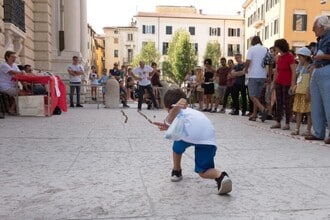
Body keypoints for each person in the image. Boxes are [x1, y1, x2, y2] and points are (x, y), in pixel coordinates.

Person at [153, 88, 232, 195]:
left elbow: (170, 120)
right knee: (202, 168)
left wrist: (167, 122)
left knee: (199, 169)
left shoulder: (176, 110)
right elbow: (179, 126)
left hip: (200, 139)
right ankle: (221, 176)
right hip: (207, 139)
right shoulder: (192, 112)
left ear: (169, 108)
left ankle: (177, 171)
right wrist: (169, 126)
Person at [305, 15, 330, 144]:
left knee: (328, 103)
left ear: (321, 26)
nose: (313, 30)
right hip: (318, 69)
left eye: (314, 27)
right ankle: (318, 132)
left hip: (326, 69)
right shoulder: (320, 39)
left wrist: (322, 56)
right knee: (316, 104)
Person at [270, 39, 296, 130]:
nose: (275, 49)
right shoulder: (278, 57)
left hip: (287, 83)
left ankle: (287, 123)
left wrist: (293, 84)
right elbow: (277, 70)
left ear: (280, 47)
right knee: (278, 103)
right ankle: (278, 122)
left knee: (287, 103)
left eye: (276, 47)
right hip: (279, 82)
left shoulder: (290, 56)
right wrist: (273, 83)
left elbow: (293, 71)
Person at [244, 36, 269, 122]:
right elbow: (268, 62)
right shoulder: (265, 49)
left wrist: (246, 69)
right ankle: (254, 114)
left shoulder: (251, 49)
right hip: (263, 74)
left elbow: (248, 61)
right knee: (257, 96)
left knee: (252, 95)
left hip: (253, 74)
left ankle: (263, 109)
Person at [291, 47, 313, 136]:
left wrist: (309, 91)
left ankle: (308, 130)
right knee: (298, 111)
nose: (299, 59)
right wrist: (295, 86)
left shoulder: (310, 68)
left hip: (306, 92)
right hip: (299, 91)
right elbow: (298, 79)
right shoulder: (300, 67)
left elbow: (311, 80)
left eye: (300, 57)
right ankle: (297, 129)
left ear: (305, 57)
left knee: (308, 112)